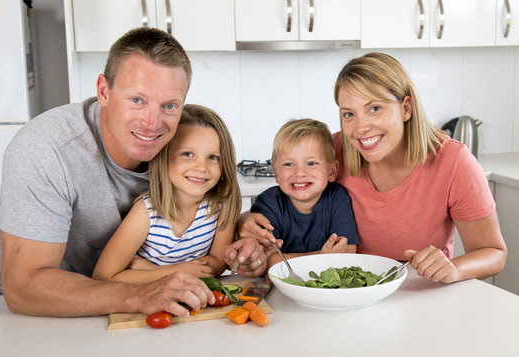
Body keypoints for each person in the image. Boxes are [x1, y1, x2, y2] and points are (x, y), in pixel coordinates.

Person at [0, 27, 264, 317]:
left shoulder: (177, 145)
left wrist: (240, 223)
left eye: (169, 105)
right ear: (104, 91)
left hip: (112, 294)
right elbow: (24, 287)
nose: (152, 123)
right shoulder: (46, 149)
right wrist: (143, 291)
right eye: (137, 100)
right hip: (9, 301)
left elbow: (198, 206)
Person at [239, 52, 507, 284]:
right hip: (344, 289)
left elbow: (493, 253)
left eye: (374, 108)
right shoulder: (333, 152)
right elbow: (284, 201)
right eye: (348, 114)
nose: (360, 128)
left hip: (419, 292)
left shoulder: (453, 162)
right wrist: (245, 221)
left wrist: (454, 269)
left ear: (406, 108)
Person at [92, 104, 241, 283]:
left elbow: (218, 262)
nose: (201, 167)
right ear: (164, 157)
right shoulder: (146, 213)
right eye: (187, 154)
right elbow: (103, 277)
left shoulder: (221, 205)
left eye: (213, 157)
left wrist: (157, 270)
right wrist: (177, 272)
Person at [250, 119, 358, 269]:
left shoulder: (337, 198)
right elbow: (266, 262)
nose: (300, 173)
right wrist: (321, 258)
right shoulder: (268, 203)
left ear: (332, 171)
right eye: (289, 164)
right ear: (276, 172)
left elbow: (349, 251)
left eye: (311, 163)